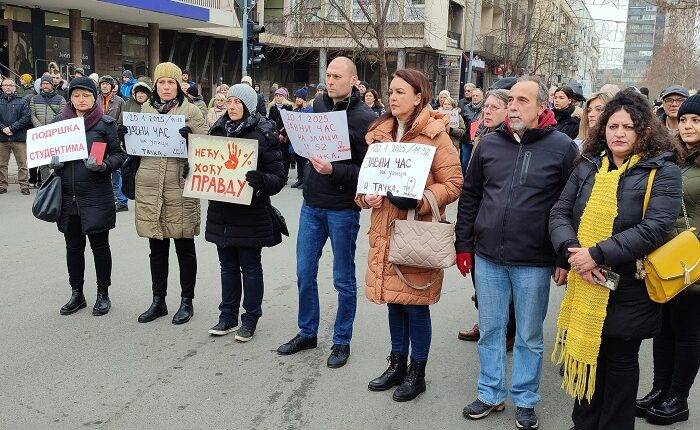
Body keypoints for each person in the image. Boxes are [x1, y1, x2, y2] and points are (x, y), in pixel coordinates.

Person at [548, 89, 682, 430]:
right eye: (612, 126)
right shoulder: (589, 164)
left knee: (620, 364)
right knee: (587, 361)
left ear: (643, 131)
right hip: (585, 280)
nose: (618, 133)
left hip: (629, 288)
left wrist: (596, 254)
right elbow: (560, 213)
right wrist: (573, 252)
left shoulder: (662, 170)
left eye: (627, 127)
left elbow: (656, 228)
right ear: (602, 129)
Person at [456, 76, 578, 429]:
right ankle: (490, 393)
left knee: (528, 335)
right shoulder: (489, 144)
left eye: (523, 100)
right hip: (488, 257)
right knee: (491, 330)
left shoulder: (562, 147)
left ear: (542, 107)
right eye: (511, 99)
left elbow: (571, 207)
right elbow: (471, 197)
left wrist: (562, 257)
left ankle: (525, 399)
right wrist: (464, 244)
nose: (513, 106)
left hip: (534, 261)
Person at [358, 68, 463, 401]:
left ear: (419, 97)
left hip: (416, 233)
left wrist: (418, 198)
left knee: (415, 306)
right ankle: (396, 364)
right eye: (391, 91)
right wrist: (368, 197)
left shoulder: (435, 135)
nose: (393, 97)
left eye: (401, 92)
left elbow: (454, 184)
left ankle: (417, 373)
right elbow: (365, 185)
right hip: (384, 231)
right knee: (394, 302)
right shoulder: (380, 132)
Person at [277, 56, 376, 368]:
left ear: (353, 80)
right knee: (304, 273)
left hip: (343, 210)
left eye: (336, 76)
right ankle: (307, 332)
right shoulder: (318, 106)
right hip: (312, 205)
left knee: (343, 279)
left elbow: (368, 172)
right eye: (328, 75)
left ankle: (341, 340)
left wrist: (334, 170)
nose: (330, 81)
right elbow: (308, 146)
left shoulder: (365, 118)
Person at [637, 94, 700, 426]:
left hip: (693, 260)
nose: (688, 125)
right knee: (664, 329)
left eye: (697, 121)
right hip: (664, 257)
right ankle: (659, 390)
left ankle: (679, 398)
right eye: (686, 120)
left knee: (688, 332)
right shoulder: (675, 158)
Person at [206, 84, 286, 341]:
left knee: (250, 267)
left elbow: (278, 176)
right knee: (226, 266)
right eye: (229, 101)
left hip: (250, 213)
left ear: (248, 106)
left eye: (237, 102)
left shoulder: (263, 133)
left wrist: (261, 179)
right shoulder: (217, 129)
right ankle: (227, 316)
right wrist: (193, 171)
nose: (232, 106)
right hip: (221, 211)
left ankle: (250, 318)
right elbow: (205, 165)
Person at [134, 62, 208, 325]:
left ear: (179, 85)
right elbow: (137, 149)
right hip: (151, 186)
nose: (166, 87)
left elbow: (208, 150)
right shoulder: (145, 110)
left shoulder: (193, 112)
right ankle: (158, 301)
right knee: (157, 246)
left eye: (171, 83)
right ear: (155, 85)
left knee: (184, 245)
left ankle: (186, 301)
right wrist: (125, 138)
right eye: (162, 82)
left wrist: (191, 140)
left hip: (180, 186)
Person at [47, 77, 126, 316]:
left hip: (96, 196)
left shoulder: (105, 123)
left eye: (86, 95)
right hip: (68, 197)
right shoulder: (59, 123)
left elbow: (119, 156)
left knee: (100, 247)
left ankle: (103, 294)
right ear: (70, 97)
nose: (81, 100)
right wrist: (52, 161)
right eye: (77, 95)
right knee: (73, 247)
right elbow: (47, 152)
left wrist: (104, 166)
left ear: (94, 98)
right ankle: (76, 294)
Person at [456, 88, 516, 347]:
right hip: (479, 222)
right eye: (485, 107)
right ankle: (487, 322)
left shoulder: (514, 143)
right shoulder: (482, 137)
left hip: (503, 227)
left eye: (494, 107)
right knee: (481, 282)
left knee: (506, 287)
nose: (487, 111)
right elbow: (471, 191)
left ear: (508, 111)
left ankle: (509, 331)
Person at [116, 79, 153, 212]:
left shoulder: (154, 106)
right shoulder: (128, 104)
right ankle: (122, 200)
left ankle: (146, 202)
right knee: (126, 172)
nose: (140, 95)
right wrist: (121, 131)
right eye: (138, 92)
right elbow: (120, 122)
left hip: (149, 149)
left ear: (148, 94)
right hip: (130, 146)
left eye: (143, 93)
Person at [29, 73, 66, 188]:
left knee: (55, 160)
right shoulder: (34, 99)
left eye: (47, 83)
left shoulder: (60, 99)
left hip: (55, 134)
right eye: (43, 83)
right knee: (42, 161)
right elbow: (32, 115)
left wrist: (51, 128)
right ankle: (45, 183)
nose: (45, 85)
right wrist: (40, 128)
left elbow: (62, 114)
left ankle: (57, 182)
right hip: (39, 134)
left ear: (52, 85)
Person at [0, 76, 31, 195]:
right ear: (2, 87)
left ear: (14, 87)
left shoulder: (22, 101)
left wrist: (11, 128)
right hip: (2, 138)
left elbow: (26, 118)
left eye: (10, 85)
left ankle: (24, 185)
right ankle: (2, 185)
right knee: (2, 164)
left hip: (18, 138)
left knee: (22, 163)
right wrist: (3, 128)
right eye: (5, 85)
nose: (8, 87)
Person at [267, 87, 293, 180]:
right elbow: (270, 122)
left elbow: (290, 122)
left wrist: (283, 133)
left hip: (285, 136)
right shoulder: (272, 108)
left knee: (285, 157)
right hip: (274, 135)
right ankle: (277, 175)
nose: (278, 97)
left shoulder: (289, 107)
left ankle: (284, 176)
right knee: (275, 157)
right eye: (276, 96)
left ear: (284, 97)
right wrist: (273, 133)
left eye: (280, 96)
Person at [290, 87, 312, 189]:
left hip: (306, 140)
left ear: (304, 99)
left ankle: (305, 181)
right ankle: (299, 179)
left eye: (300, 98)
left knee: (304, 161)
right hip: (297, 139)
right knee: (298, 159)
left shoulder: (309, 110)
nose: (298, 99)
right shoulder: (295, 110)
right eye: (296, 98)